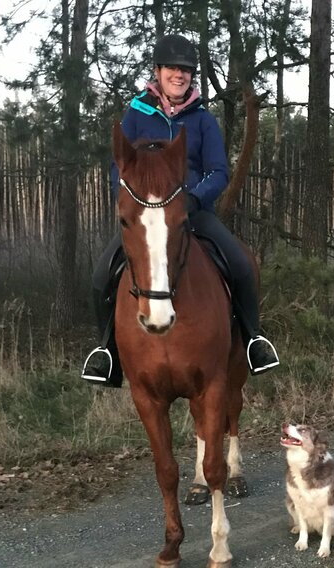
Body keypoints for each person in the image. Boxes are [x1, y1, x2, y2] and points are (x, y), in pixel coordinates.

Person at [81, 34, 280, 387]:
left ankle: (253, 340)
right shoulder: (137, 113)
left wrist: (193, 199)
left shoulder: (203, 120)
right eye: (173, 68)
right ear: (158, 71)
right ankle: (107, 352)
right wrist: (132, 202)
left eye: (186, 70)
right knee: (101, 277)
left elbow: (218, 171)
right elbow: (120, 167)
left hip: (190, 209)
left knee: (240, 263)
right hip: (145, 214)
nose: (180, 75)